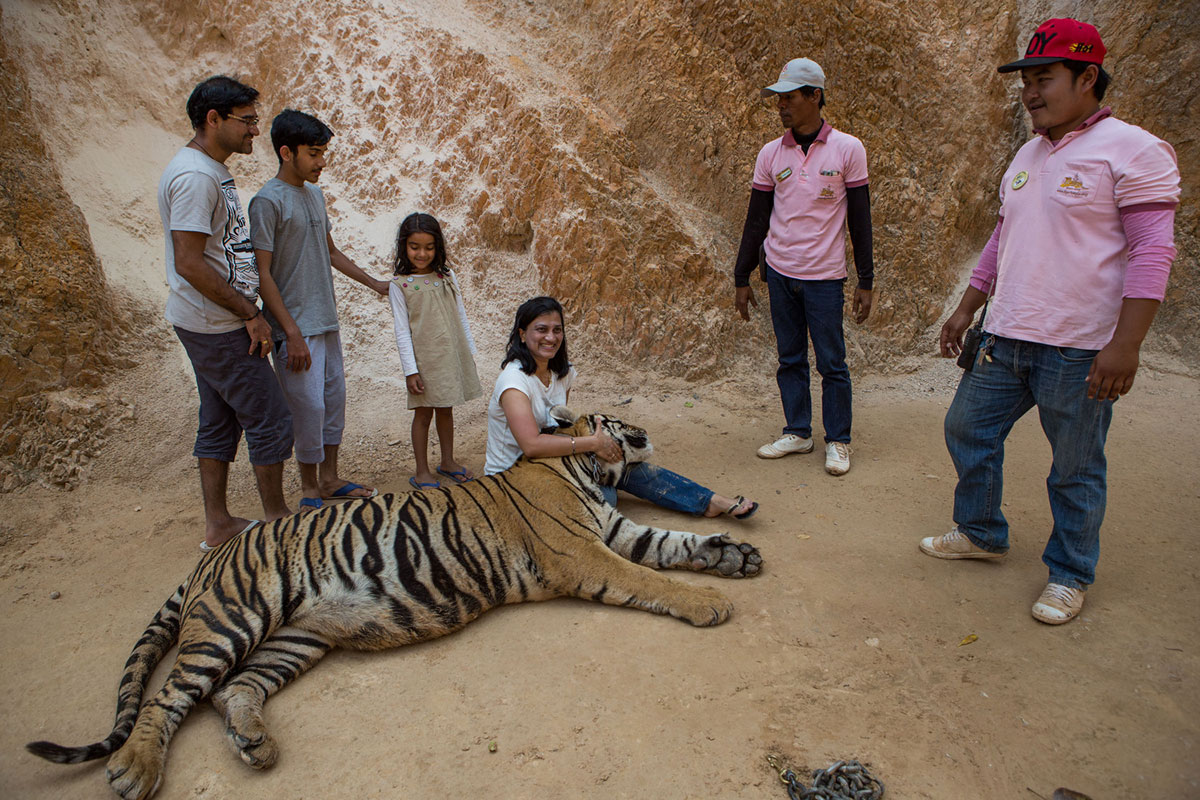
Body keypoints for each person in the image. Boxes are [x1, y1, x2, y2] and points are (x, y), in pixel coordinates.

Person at [923, 18, 1180, 625]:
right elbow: (1003, 234)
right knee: (966, 429)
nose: (1031, 93)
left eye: (1045, 78)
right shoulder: (1029, 152)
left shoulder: (1134, 149)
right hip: (1006, 338)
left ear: (1087, 77)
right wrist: (967, 306)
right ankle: (982, 532)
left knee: (1075, 468)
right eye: (1026, 82)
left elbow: (1152, 252)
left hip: (1081, 350)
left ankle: (1069, 572)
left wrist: (1127, 345)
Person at [157, 76, 294, 551]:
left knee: (219, 417)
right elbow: (190, 261)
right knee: (271, 416)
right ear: (213, 119)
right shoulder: (196, 177)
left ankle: (219, 524)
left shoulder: (207, 168)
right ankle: (277, 521)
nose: (256, 131)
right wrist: (249, 313)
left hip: (208, 319)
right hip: (217, 323)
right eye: (248, 121)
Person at [484, 296, 759, 519]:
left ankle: (708, 501)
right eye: (541, 330)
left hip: (549, 463)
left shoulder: (563, 374)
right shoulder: (514, 381)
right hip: (513, 476)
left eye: (557, 330)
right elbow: (531, 445)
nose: (551, 337)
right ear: (522, 335)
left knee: (618, 461)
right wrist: (591, 443)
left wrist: (601, 448)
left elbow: (558, 428)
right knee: (608, 495)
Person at [732, 57, 875, 476]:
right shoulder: (771, 153)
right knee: (789, 357)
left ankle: (839, 440)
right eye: (779, 98)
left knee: (832, 361)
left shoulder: (848, 149)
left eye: (791, 96)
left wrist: (866, 279)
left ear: (815, 96)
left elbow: (860, 219)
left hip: (825, 278)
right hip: (779, 273)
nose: (782, 105)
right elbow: (756, 219)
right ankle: (798, 430)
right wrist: (742, 276)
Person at [249, 109, 388, 511]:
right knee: (306, 407)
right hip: (295, 327)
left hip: (324, 319)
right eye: (314, 153)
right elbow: (262, 273)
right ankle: (309, 487)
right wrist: (289, 331)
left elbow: (329, 252)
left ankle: (330, 478)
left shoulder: (314, 195)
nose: (322, 162)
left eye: (324, 152)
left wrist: (374, 283)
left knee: (332, 400)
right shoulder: (266, 201)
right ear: (286, 152)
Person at [388, 213, 483, 490]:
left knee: (446, 409)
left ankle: (448, 461)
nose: (422, 253)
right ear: (404, 246)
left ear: (438, 247)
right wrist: (410, 370)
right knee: (423, 414)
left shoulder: (446, 275)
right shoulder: (400, 285)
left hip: (449, 356)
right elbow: (402, 332)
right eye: (415, 247)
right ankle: (421, 471)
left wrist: (467, 351)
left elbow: (459, 314)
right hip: (424, 362)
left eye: (429, 247)